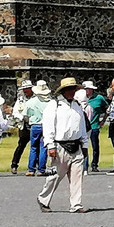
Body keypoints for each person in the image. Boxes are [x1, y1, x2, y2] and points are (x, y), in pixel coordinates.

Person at [37, 77, 89, 213]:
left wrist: (85, 145)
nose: (72, 92)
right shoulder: (54, 105)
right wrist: (50, 145)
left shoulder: (77, 106)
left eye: (74, 89)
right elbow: (48, 126)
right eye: (70, 89)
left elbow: (82, 127)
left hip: (76, 145)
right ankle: (43, 199)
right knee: (55, 176)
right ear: (64, 91)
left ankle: (76, 205)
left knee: (77, 177)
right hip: (60, 145)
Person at [24, 80, 51, 176]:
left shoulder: (30, 102)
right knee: (43, 147)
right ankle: (41, 169)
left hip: (34, 125)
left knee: (33, 147)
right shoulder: (50, 102)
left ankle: (31, 169)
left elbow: (25, 115)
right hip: (46, 125)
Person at [9, 80, 34, 174]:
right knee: (21, 145)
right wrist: (23, 117)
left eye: (26, 89)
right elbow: (15, 112)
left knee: (35, 147)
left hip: (34, 124)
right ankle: (14, 164)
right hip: (23, 126)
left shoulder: (36, 98)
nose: (24, 91)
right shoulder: (20, 100)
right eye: (23, 89)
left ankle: (34, 166)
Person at [82, 81, 108, 172]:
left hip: (94, 126)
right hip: (82, 128)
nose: (86, 91)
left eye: (87, 89)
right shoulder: (79, 98)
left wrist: (103, 120)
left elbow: (107, 109)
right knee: (83, 147)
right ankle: (84, 166)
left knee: (95, 147)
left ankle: (94, 164)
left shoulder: (99, 98)